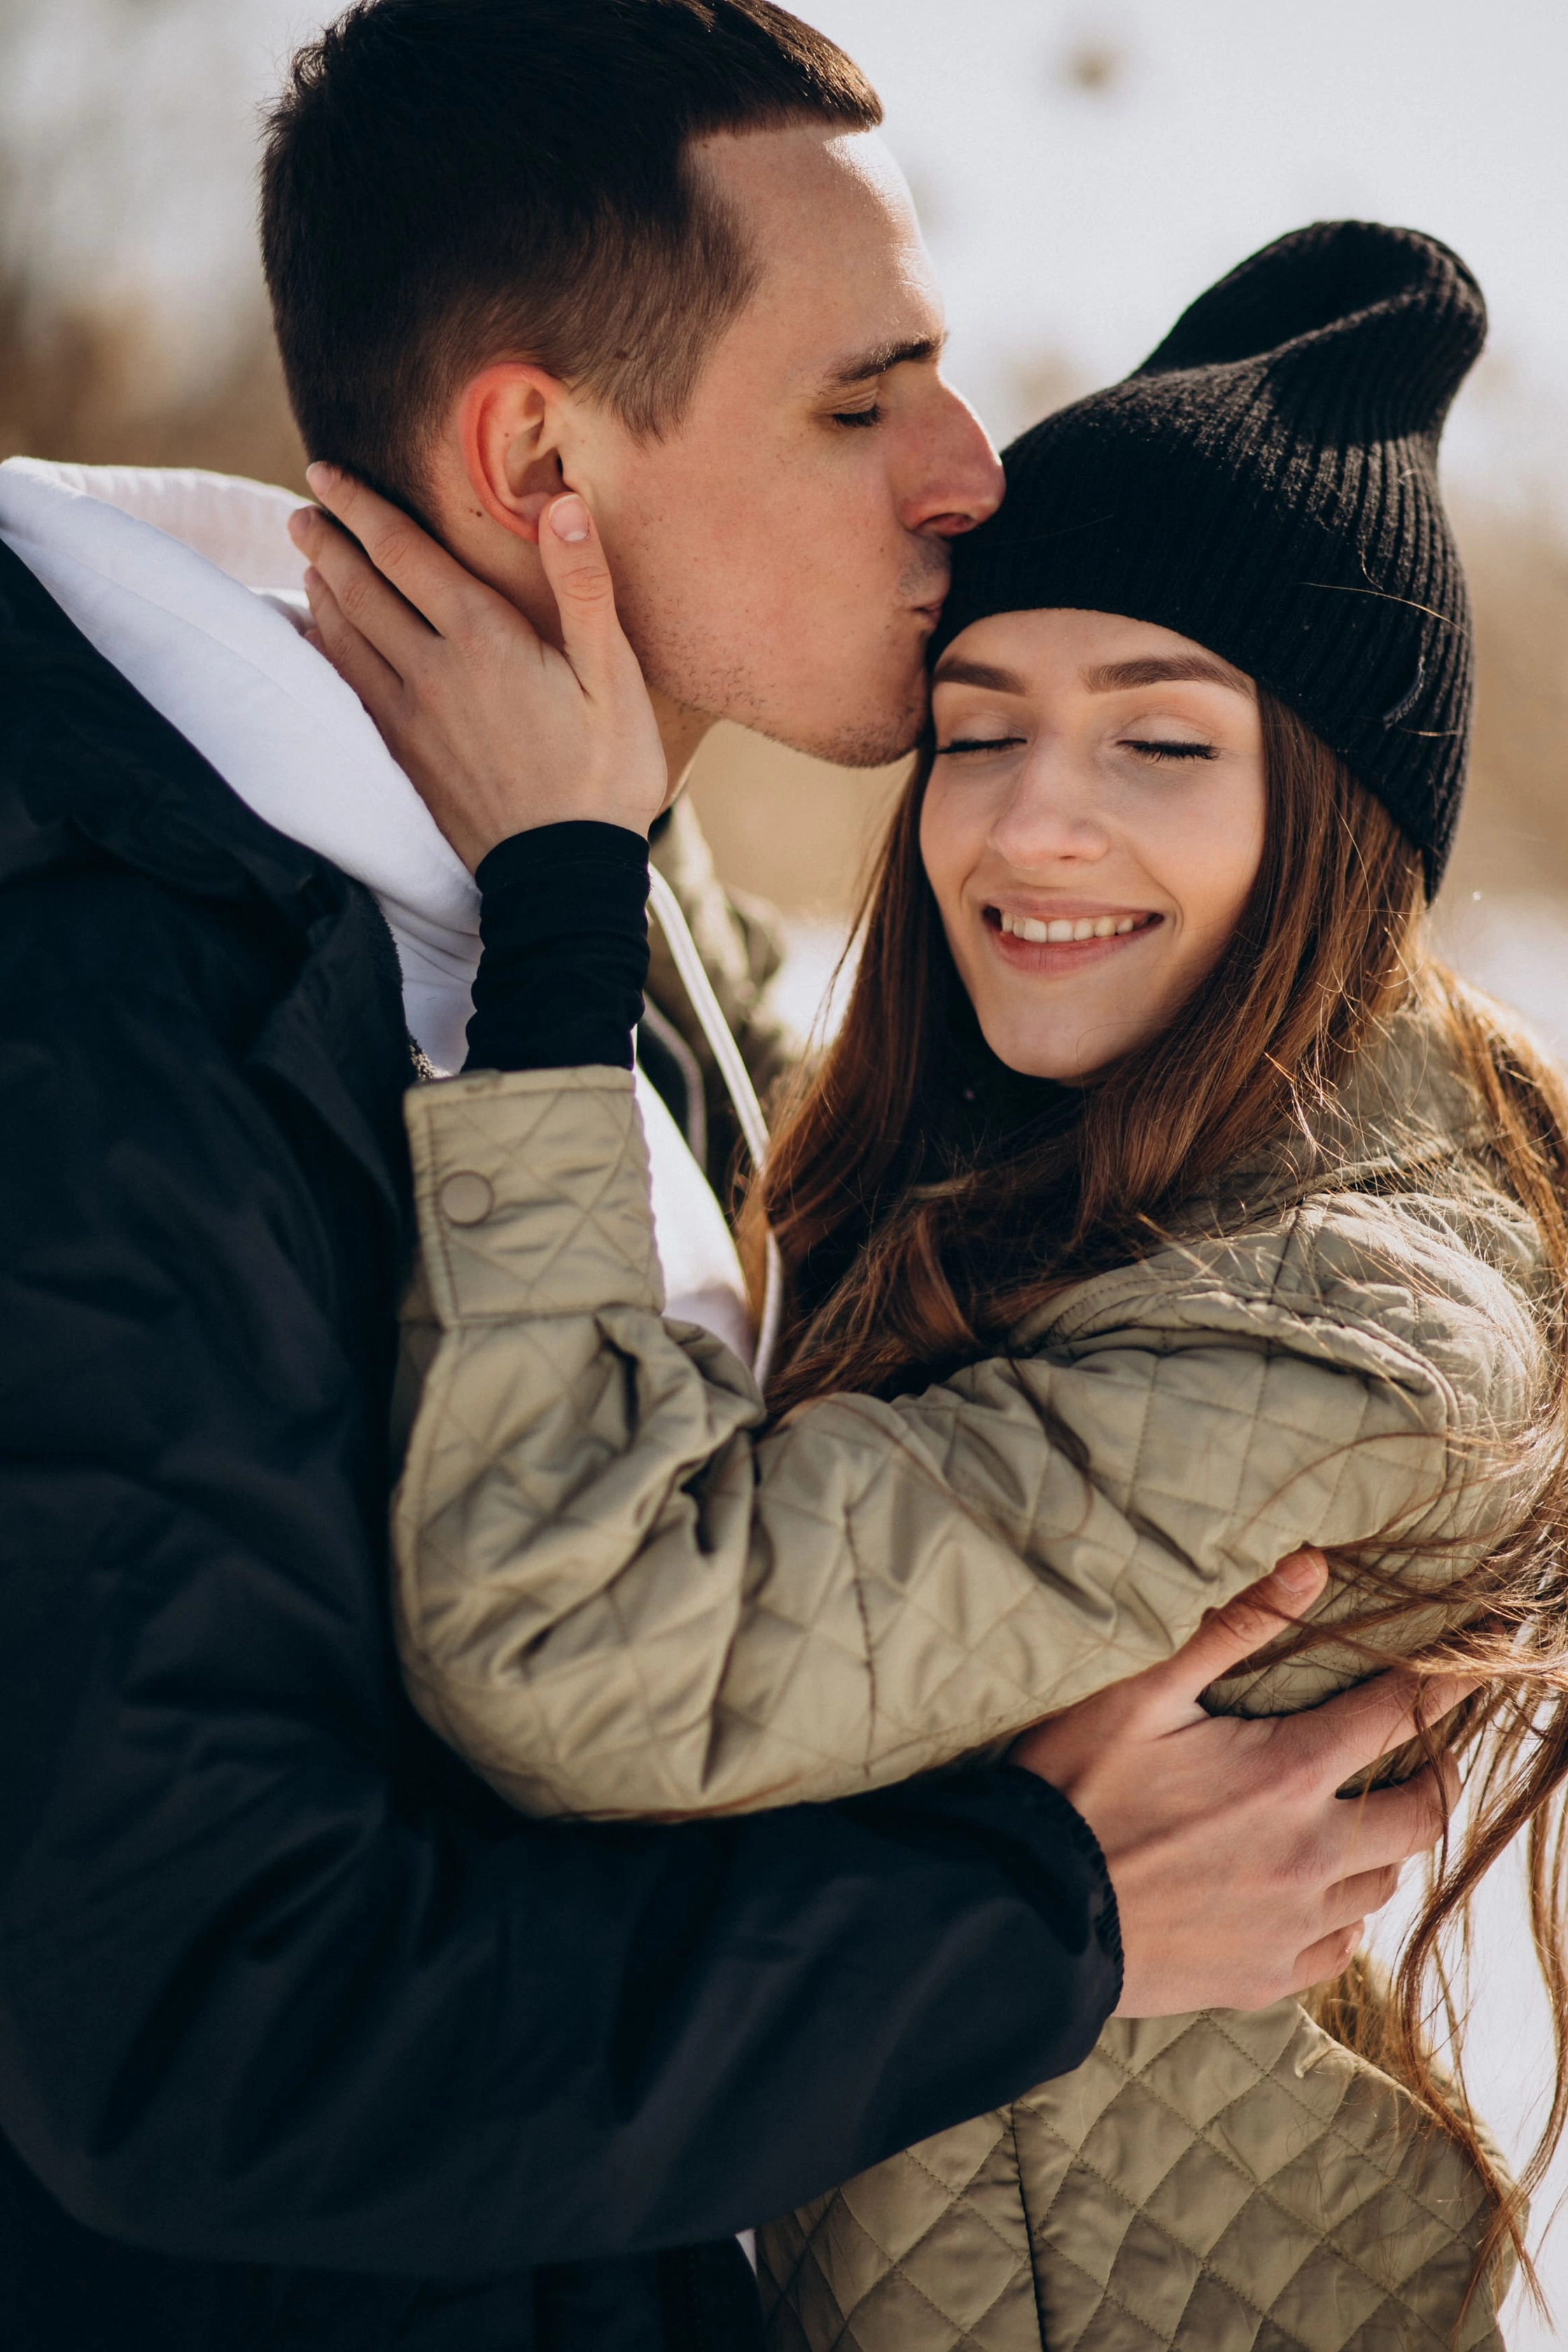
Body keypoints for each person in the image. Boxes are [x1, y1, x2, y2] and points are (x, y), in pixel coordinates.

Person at [0, 6, 1445, 2350]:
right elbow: (204, 2034)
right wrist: (1035, 1918)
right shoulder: (101, 1043)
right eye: (863, 404)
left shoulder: (569, 902)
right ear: (538, 458)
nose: (970, 473)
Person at [305, 219, 1568, 2349]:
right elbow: (781, 1083)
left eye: (1162, 746)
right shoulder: (1091, 1166)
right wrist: (629, 676)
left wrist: (559, 907)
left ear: (1339, 819)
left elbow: (587, 1646)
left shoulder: (1345, 1340)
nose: (1029, 830)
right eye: (977, 734)